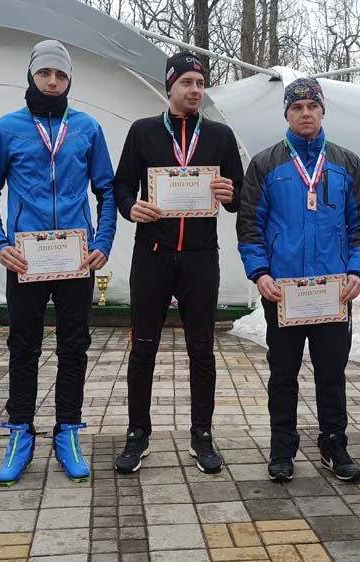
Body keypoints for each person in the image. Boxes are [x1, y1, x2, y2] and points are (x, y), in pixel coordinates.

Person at [0, 40, 116, 485]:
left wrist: (103, 241)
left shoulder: (87, 128)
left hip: (76, 258)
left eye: (61, 75)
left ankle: (67, 431)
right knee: (23, 346)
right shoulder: (6, 128)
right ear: (31, 76)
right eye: (45, 73)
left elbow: (107, 190)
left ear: (69, 80)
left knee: (74, 346)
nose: (52, 81)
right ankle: (20, 433)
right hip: (26, 260)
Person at [236, 78, 360, 483]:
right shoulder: (265, 164)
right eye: (297, 108)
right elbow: (250, 224)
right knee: (283, 373)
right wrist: (260, 273)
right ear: (287, 114)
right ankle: (282, 448)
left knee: (331, 372)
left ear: (323, 111)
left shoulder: (346, 162)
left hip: (334, 290)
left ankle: (334, 443)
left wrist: (357, 271)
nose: (305, 114)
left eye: (312, 106)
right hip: (284, 292)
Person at [112, 51, 243, 474]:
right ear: (169, 86)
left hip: (201, 259)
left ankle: (202, 434)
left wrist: (230, 194)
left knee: (202, 348)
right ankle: (138, 433)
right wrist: (131, 207)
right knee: (143, 346)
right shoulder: (143, 131)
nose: (195, 90)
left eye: (200, 83)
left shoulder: (220, 136)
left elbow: (240, 196)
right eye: (186, 82)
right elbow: (121, 186)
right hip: (152, 256)